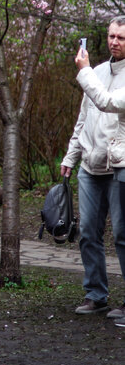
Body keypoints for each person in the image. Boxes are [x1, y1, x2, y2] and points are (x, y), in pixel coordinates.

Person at [64, 19, 125, 317]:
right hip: (90, 164)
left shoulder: (93, 74)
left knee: (123, 235)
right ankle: (96, 294)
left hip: (118, 166)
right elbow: (84, 117)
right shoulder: (98, 71)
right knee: (88, 232)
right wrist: (70, 156)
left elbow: (106, 102)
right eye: (112, 36)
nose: (115, 42)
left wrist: (84, 71)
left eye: (122, 38)